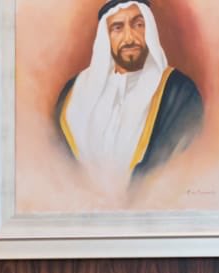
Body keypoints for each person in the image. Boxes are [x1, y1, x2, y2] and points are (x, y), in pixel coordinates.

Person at [55, 0, 204, 186]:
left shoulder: (180, 92)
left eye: (138, 25)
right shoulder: (73, 93)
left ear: (149, 30)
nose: (129, 38)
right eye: (117, 27)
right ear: (106, 36)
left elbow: (179, 168)